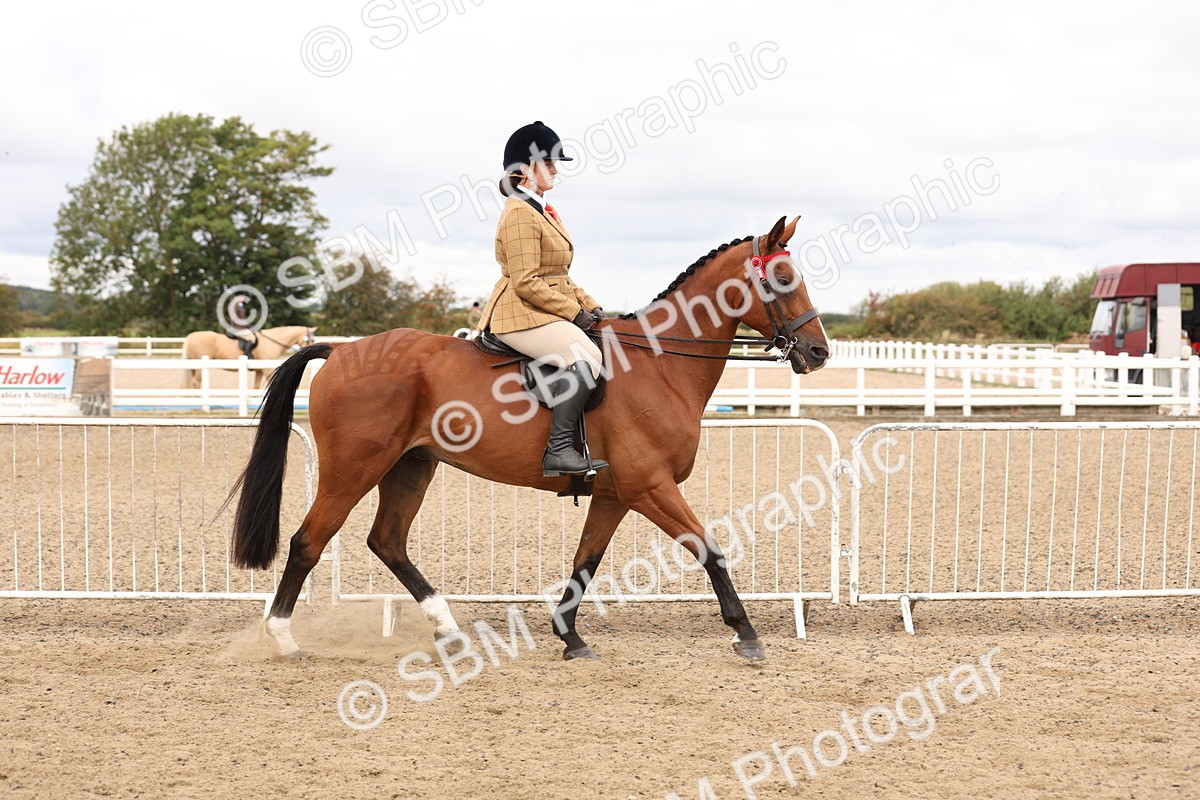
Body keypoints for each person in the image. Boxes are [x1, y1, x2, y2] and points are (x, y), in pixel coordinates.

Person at [476, 121, 609, 477]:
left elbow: (559, 275)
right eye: (547, 162)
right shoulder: (519, 213)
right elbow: (526, 282)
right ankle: (559, 450)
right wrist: (573, 312)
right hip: (518, 313)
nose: (554, 169)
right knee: (586, 356)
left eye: (555, 163)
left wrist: (591, 306)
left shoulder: (543, 210)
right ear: (523, 170)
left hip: (540, 308)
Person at [225, 293, 257, 358]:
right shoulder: (235, 305)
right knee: (252, 338)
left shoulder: (240, 305)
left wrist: (251, 326)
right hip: (237, 328)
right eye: (242, 297)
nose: (243, 298)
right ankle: (247, 355)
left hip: (241, 327)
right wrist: (250, 326)